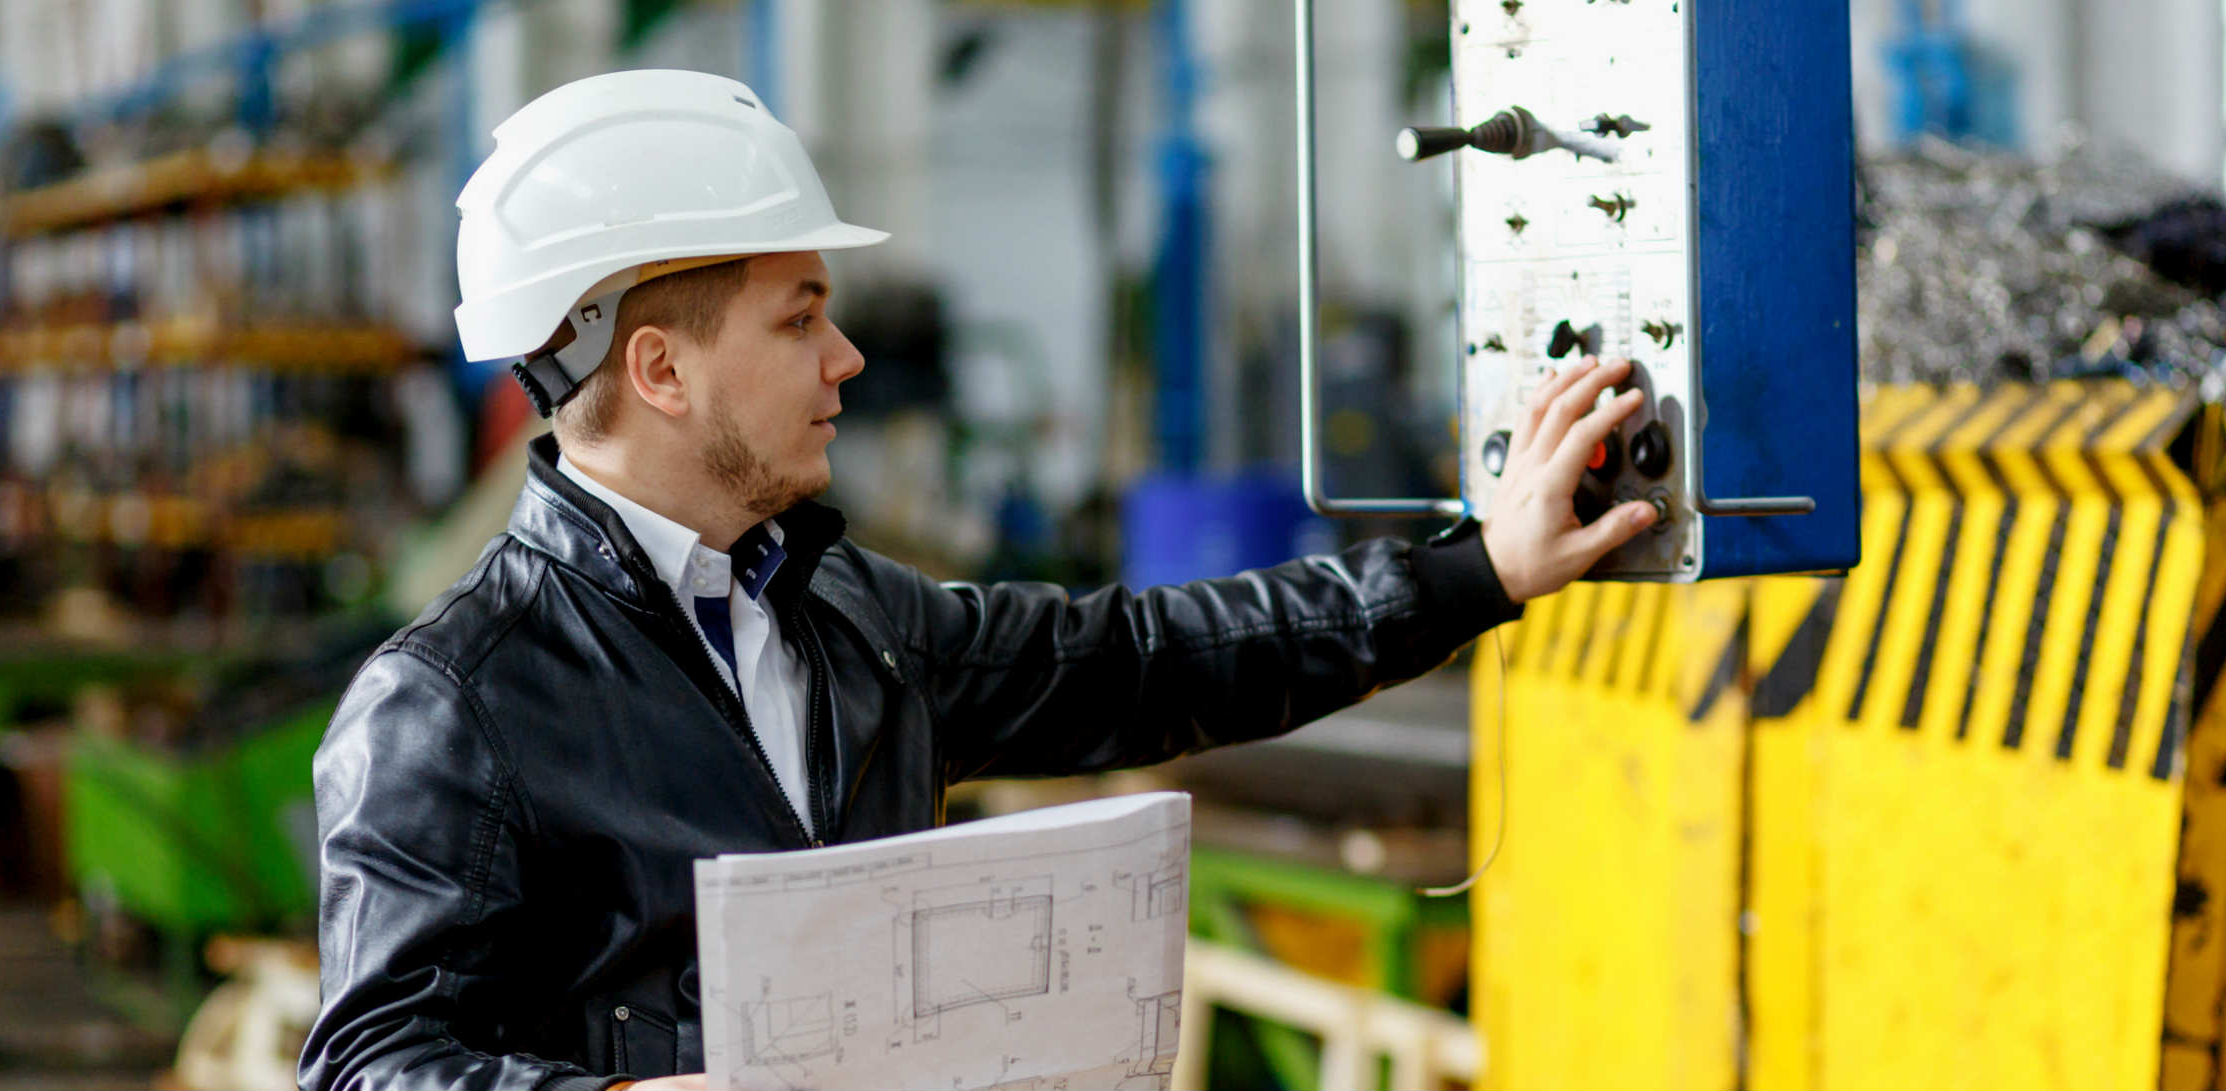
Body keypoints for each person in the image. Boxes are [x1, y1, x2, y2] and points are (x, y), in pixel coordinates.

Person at [297, 69, 1652, 1091]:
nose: (847, 363)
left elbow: (1151, 659)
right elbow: (369, 1068)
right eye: (801, 316)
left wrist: (1483, 571)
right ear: (660, 369)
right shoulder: (454, 704)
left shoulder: (850, 621)